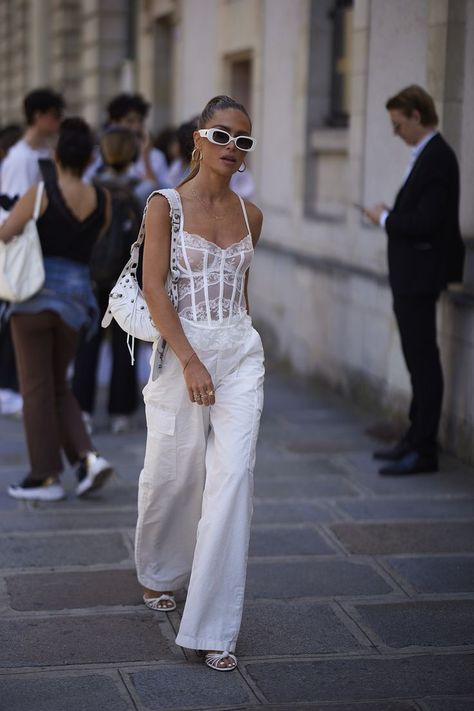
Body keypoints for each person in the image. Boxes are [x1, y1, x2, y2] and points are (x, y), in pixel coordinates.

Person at [135, 96, 264, 671]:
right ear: (197, 138)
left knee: (232, 481)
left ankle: (213, 629)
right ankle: (159, 571)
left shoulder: (251, 215)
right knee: (173, 472)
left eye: (243, 140)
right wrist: (189, 359)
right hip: (182, 354)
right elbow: (155, 288)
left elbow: (241, 294)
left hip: (239, 353)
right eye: (222, 135)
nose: (232, 148)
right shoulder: (164, 206)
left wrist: (236, 346)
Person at [0, 118, 114, 501]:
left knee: (35, 388)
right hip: (76, 302)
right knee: (56, 384)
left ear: (55, 154)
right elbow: (92, 242)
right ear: (90, 158)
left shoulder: (40, 192)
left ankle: (44, 476)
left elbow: (6, 233)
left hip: (33, 297)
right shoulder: (103, 199)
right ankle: (87, 457)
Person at [366, 85, 465, 476]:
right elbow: (421, 213)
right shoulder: (425, 155)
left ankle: (424, 449)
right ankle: (413, 437)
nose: (395, 132)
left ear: (416, 116)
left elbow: (427, 222)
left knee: (423, 361)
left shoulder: (438, 157)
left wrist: (385, 219)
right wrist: (393, 214)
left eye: (397, 124)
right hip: (411, 275)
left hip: (420, 277)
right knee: (416, 358)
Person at [73, 127, 155, 434]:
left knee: (88, 342)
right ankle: (121, 412)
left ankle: (82, 410)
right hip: (128, 277)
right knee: (125, 345)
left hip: (92, 277)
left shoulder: (88, 189)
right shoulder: (144, 190)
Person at [0, 89, 65, 418]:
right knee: (18, 316)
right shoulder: (20, 158)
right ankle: (8, 388)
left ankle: (14, 387)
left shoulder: (41, 152)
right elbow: (10, 211)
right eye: (55, 114)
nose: (58, 121)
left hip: (39, 251)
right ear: (40, 115)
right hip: (24, 251)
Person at [86, 93, 170, 189]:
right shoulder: (97, 155)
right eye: (130, 121)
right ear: (114, 123)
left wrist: (146, 159)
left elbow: (160, 191)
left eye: (140, 121)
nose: (136, 127)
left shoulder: (155, 156)